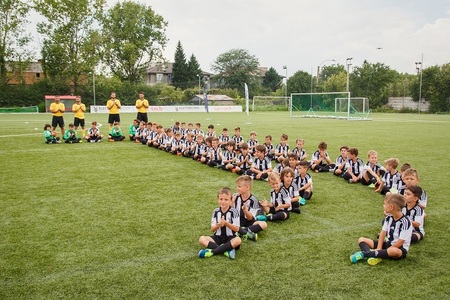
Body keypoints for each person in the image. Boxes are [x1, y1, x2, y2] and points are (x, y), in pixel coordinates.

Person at [350, 194, 412, 266]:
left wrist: (385, 251)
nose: (383, 206)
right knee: (361, 239)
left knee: (393, 251)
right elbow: (383, 233)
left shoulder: (405, 222)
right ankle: (376, 255)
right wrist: (379, 249)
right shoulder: (389, 217)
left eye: (385, 204)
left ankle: (365, 254)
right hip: (387, 244)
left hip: (399, 249)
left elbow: (400, 242)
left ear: (392, 207)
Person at [198, 187, 242, 259]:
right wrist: (218, 225)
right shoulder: (215, 211)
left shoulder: (234, 212)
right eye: (221, 199)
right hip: (218, 237)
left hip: (230, 238)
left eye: (226, 199)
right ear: (217, 200)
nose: (223, 202)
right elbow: (212, 229)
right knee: (201, 239)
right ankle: (226, 251)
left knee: (238, 240)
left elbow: (237, 229)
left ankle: (212, 252)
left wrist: (226, 224)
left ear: (230, 200)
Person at [233, 175, 268, 240]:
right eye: (237, 186)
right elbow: (231, 212)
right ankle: (245, 232)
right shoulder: (235, 196)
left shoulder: (253, 200)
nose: (237, 188)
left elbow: (250, 218)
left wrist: (245, 210)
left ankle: (241, 231)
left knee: (264, 224)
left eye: (239, 186)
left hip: (248, 222)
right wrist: (232, 203)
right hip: (237, 220)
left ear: (247, 188)